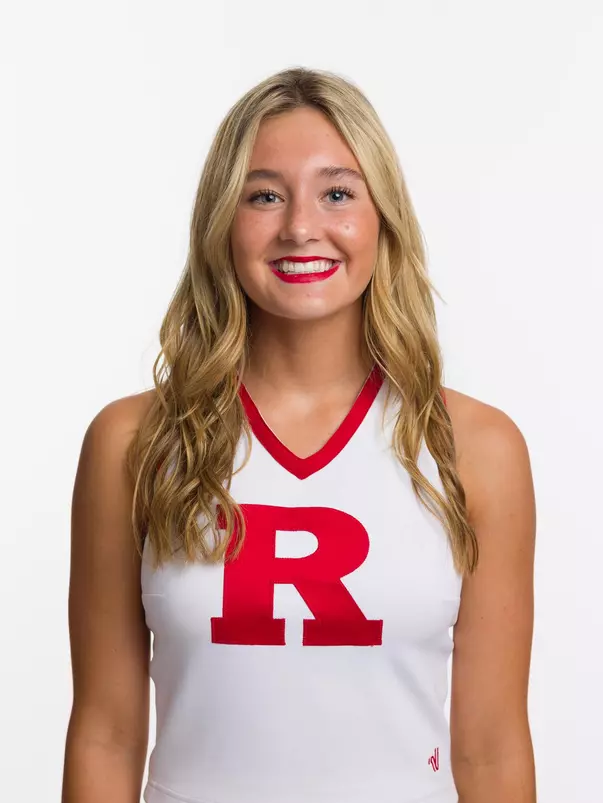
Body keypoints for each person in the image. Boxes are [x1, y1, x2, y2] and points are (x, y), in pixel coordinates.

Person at [61, 67, 537, 803]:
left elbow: (491, 750)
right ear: (223, 218)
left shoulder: (475, 447)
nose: (299, 227)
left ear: (384, 217)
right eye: (264, 195)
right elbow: (106, 731)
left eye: (337, 193)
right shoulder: (132, 442)